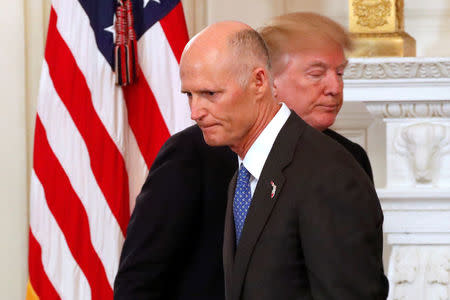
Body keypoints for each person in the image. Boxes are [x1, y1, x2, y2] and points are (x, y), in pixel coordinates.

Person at [180, 20, 388, 300]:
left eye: (210, 94)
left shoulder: (329, 175)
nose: (195, 112)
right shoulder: (246, 172)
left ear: (259, 82)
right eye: (189, 95)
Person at [113, 125, 237, 299]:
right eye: (189, 96)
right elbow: (137, 280)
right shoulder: (189, 151)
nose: (195, 112)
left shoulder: (285, 152)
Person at [259, 12, 374, 181]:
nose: (335, 88)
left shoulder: (351, 158)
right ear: (269, 81)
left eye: (340, 73)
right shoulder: (219, 154)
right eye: (316, 74)